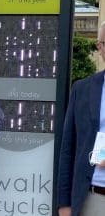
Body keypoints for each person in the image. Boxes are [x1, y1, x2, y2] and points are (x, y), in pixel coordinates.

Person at [57, 21, 105, 216]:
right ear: (100, 47)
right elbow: (68, 148)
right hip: (92, 200)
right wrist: (64, 204)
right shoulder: (82, 89)